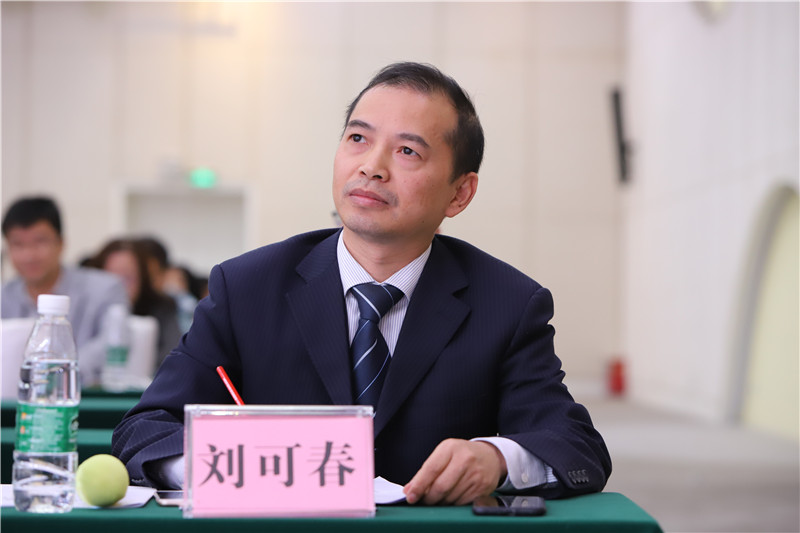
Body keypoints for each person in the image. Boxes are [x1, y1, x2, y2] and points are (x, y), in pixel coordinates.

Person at [112, 62, 611, 504]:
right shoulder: (246, 288)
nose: (371, 166)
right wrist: (231, 466)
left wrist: (496, 458)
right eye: (358, 139)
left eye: (408, 151)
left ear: (460, 193)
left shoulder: (507, 304)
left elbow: (574, 445)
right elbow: (144, 431)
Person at [1, 196, 129, 386]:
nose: (29, 255)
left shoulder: (104, 289)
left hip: (83, 396)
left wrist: (57, 378)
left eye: (40, 242)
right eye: (18, 244)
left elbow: (112, 343)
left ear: (61, 243)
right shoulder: (4, 296)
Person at [91, 238, 182, 369]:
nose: (119, 288)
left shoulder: (163, 309)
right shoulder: (89, 312)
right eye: (111, 280)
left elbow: (173, 357)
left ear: (143, 279)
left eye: (128, 278)